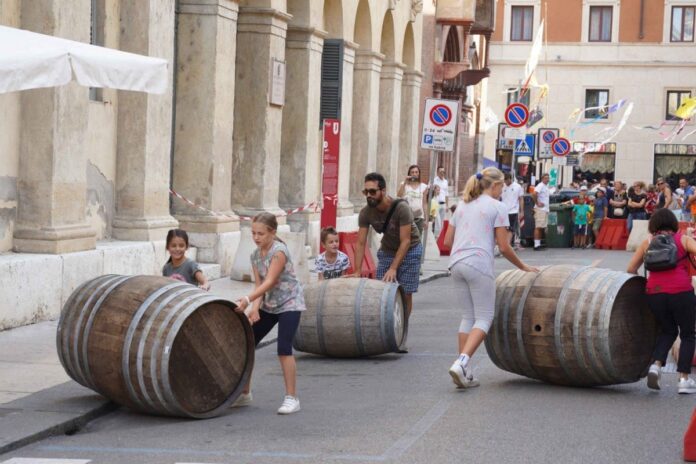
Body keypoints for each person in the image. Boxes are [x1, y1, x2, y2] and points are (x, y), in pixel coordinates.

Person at [443, 167, 538, 388]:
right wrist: (523, 266)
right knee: (485, 317)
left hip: (456, 263)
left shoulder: (462, 205)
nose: (502, 191)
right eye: (502, 187)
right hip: (478, 263)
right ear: (495, 185)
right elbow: (504, 247)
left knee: (468, 316)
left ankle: (464, 370)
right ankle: (462, 362)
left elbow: (447, 242)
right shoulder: (498, 207)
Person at [233, 213, 306, 414]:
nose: (256, 238)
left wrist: (247, 299)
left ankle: (292, 398)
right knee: (248, 342)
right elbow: (259, 285)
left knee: (283, 348)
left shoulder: (279, 251)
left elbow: (270, 281)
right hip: (269, 304)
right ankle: (245, 393)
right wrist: (255, 307)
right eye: (253, 233)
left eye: (261, 234)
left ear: (272, 232)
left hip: (290, 302)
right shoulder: (255, 255)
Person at [626, 208, 696, 394]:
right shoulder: (682, 239)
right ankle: (683, 379)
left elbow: (631, 268)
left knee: (667, 331)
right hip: (681, 291)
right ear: (673, 223)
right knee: (688, 334)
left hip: (654, 292)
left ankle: (656, 366)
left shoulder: (647, 242)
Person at [351, 172, 422, 326]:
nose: (368, 195)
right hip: (388, 250)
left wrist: (393, 268)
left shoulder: (401, 208)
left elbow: (406, 241)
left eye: (372, 192)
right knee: (382, 292)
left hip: (411, 249)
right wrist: (357, 270)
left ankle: (401, 329)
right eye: (366, 192)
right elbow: (361, 243)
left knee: (406, 292)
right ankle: (384, 328)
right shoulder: (365, 213)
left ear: (383, 191)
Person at [397, 164, 429, 238]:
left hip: (419, 217)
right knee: (405, 238)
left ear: (419, 174)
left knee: (417, 239)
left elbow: (424, 203)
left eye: (416, 172)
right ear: (409, 174)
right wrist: (405, 182)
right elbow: (399, 195)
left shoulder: (424, 186)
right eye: (412, 172)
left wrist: (426, 219)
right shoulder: (404, 184)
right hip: (406, 217)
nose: (414, 174)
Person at [501, 172, 524, 247]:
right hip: (503, 211)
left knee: (511, 228)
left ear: (510, 179)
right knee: (504, 228)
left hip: (513, 211)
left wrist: (521, 211)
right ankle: (507, 243)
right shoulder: (502, 186)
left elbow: (521, 199)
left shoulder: (517, 187)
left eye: (506, 180)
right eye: (504, 180)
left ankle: (508, 244)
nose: (505, 182)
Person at [532, 173, 550, 251]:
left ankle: (538, 243)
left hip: (544, 209)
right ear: (542, 179)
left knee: (541, 227)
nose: (547, 179)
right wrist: (537, 203)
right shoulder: (540, 185)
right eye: (545, 178)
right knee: (538, 227)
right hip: (540, 209)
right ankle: (536, 245)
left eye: (548, 178)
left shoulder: (546, 186)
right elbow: (534, 194)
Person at [433, 167, 449, 231]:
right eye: (440, 172)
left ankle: (440, 238)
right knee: (437, 222)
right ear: (437, 172)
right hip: (436, 203)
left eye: (443, 172)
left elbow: (446, 194)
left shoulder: (445, 181)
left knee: (442, 223)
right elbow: (429, 190)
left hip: (443, 204)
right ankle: (436, 237)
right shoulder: (434, 180)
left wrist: (447, 205)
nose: (442, 173)